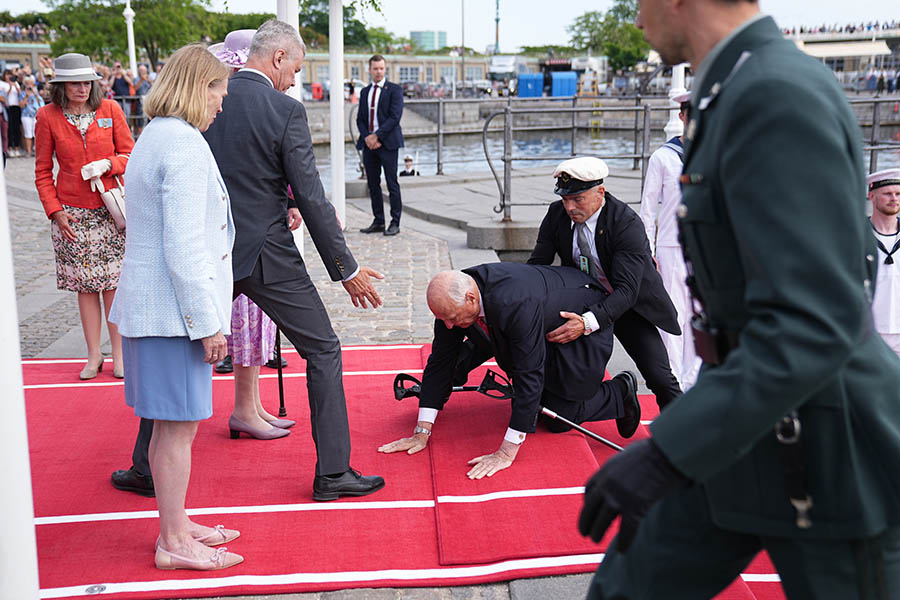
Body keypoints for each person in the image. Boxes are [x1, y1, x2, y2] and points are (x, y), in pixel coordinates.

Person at [578, 2, 900, 598]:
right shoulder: (735, 89)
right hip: (747, 418)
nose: (637, 19)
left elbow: (818, 321)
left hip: (829, 441)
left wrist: (669, 451)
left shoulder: (775, 94)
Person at [203, 20, 385, 501]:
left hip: (213, 250)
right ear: (278, 57)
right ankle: (333, 473)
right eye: (296, 69)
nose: (294, 81)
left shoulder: (207, 101)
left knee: (180, 351)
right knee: (323, 349)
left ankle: (144, 466)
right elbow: (310, 194)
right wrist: (345, 269)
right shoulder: (284, 110)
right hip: (267, 253)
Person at [108, 43, 243, 572]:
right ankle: (173, 541)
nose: (221, 104)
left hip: (155, 310)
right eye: (218, 92)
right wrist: (208, 324)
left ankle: (177, 524)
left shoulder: (157, 135)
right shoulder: (183, 145)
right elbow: (184, 248)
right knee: (177, 430)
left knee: (169, 427)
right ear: (197, 86)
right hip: (172, 316)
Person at [378, 263, 641, 480]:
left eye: (452, 318)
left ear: (471, 298)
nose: (448, 325)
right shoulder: (452, 300)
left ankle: (619, 394)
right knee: (539, 409)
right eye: (443, 318)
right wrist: (421, 431)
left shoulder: (513, 304)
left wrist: (506, 451)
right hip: (537, 320)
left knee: (561, 417)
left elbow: (530, 373)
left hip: (579, 314)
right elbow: (441, 361)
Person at [527, 157, 682, 411]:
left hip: (629, 305)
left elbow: (627, 291)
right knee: (565, 369)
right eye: (565, 199)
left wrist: (587, 323)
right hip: (583, 298)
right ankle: (614, 395)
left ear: (600, 193)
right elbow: (538, 265)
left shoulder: (626, 223)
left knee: (659, 377)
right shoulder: (556, 214)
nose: (569, 207)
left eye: (578, 199)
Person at [34, 53, 134, 380]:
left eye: (86, 82)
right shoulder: (47, 116)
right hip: (72, 214)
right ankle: (93, 355)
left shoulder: (110, 110)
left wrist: (109, 164)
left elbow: (130, 155)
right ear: (60, 86)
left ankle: (119, 354)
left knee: (113, 285)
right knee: (86, 287)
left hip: (111, 211)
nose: (81, 88)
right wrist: (55, 211)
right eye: (74, 83)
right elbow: (42, 171)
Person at [638, 92, 701, 390]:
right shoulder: (664, 157)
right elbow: (648, 208)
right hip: (672, 247)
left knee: (701, 313)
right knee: (674, 313)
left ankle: (694, 378)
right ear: (682, 117)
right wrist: (647, 251)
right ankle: (674, 380)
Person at [356, 54, 405, 237]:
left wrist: (377, 136)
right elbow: (360, 119)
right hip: (369, 144)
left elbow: (395, 117)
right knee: (373, 184)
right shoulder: (364, 92)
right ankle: (378, 220)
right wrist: (368, 137)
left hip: (388, 143)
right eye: (375, 68)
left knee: (392, 183)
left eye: (381, 68)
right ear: (370, 70)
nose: (378, 72)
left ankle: (395, 222)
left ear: (385, 69)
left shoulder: (394, 90)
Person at [868, 168, 900, 357]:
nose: (894, 198)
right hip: (870, 328)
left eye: (898, 194)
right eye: (887, 194)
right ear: (872, 196)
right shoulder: (859, 234)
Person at [21, 75, 44, 157]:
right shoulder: (23, 93)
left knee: (37, 133)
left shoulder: (36, 94)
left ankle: (37, 151)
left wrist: (35, 94)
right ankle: (29, 151)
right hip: (26, 115)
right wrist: (27, 96)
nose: (30, 85)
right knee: (28, 133)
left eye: (31, 83)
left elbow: (41, 104)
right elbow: (21, 105)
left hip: (36, 115)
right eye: (28, 83)